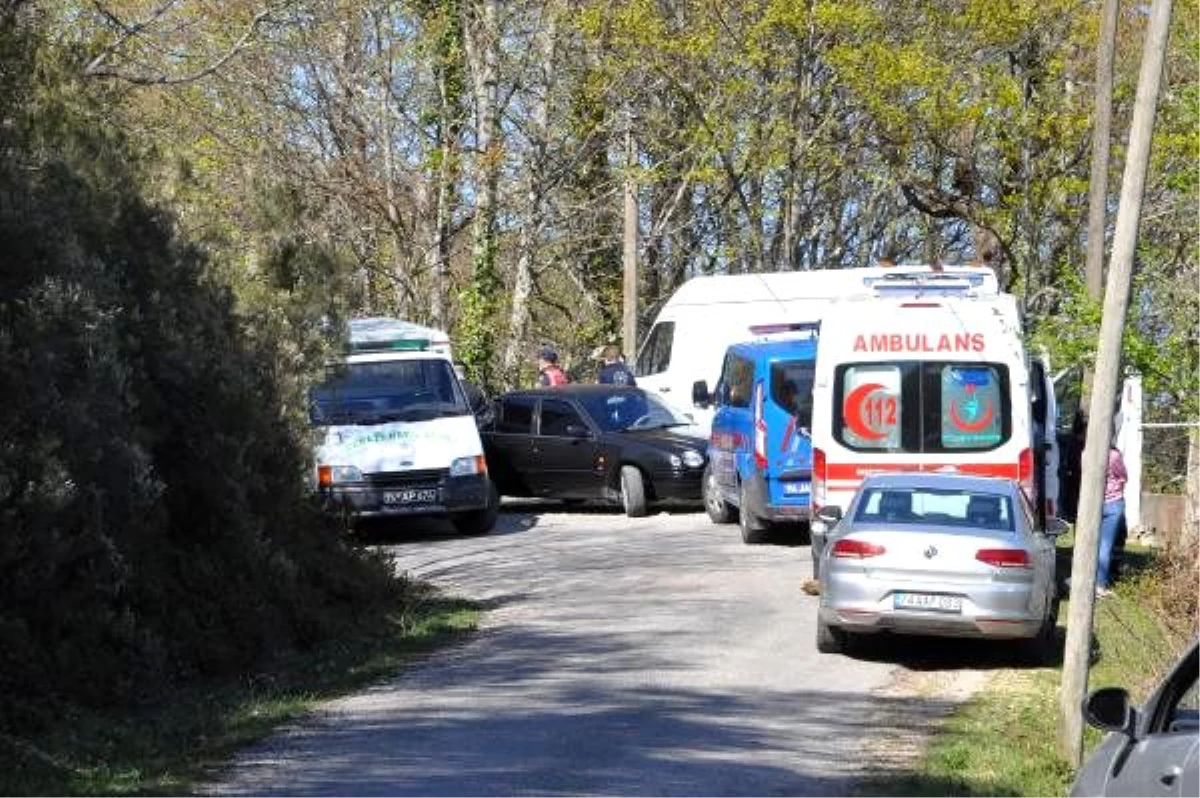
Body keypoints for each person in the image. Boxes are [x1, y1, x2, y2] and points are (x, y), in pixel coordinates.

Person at [1095, 442, 1128, 598]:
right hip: (1113, 503)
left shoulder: (1087, 452)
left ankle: (1090, 579)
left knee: (1092, 544)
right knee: (1106, 545)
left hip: (1093, 504)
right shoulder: (1114, 455)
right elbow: (1123, 476)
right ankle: (1100, 584)